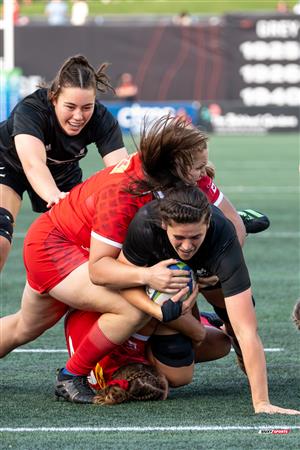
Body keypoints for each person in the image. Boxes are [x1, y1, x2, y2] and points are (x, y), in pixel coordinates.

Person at [0, 116, 267, 404]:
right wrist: (148, 277)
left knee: (24, 326)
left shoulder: (184, 175)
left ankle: (215, 330)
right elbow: (100, 270)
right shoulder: (125, 190)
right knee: (134, 307)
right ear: (175, 165)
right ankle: (71, 377)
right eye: (199, 166)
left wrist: (210, 272)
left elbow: (233, 224)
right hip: (57, 248)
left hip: (87, 246)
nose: (206, 172)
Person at [116, 184, 300, 415]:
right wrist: (157, 310)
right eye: (179, 237)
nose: (186, 246)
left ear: (207, 223)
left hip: (209, 268)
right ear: (164, 224)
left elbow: (247, 331)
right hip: (164, 287)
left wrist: (261, 402)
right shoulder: (145, 225)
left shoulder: (222, 236)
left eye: (195, 236)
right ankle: (199, 322)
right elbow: (120, 282)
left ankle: (211, 320)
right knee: (178, 375)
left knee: (235, 327)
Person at [0, 54, 128, 272]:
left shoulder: (101, 117)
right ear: (53, 98)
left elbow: (121, 172)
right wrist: (55, 196)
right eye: (70, 106)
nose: (78, 116)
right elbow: (33, 164)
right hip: (10, 163)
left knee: (85, 240)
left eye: (86, 107)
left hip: (62, 169)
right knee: (1, 234)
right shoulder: (31, 109)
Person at [63, 308, 230, 402]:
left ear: (149, 364)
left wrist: (196, 330)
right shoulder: (108, 386)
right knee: (221, 344)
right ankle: (201, 320)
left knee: (181, 372)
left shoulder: (129, 348)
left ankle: (201, 320)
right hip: (75, 317)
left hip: (89, 306)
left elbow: (156, 310)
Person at [63, 310, 169, 405]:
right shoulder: (103, 387)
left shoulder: (129, 351)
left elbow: (152, 317)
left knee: (140, 313)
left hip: (83, 308)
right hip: (72, 320)